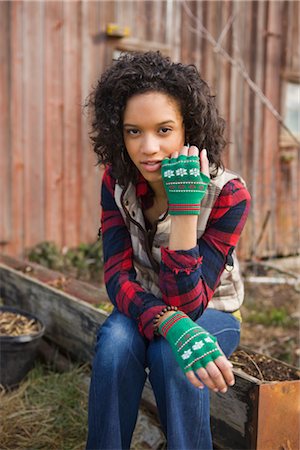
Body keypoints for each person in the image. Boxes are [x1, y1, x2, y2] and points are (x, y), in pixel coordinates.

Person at [86, 51, 251, 450]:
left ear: (186, 129)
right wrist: (168, 322)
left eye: (163, 130)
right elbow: (117, 277)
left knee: (172, 356)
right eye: (133, 132)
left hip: (212, 310)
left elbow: (189, 306)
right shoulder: (117, 182)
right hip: (141, 300)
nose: (148, 148)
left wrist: (184, 211)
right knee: (115, 344)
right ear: (118, 133)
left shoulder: (229, 195)